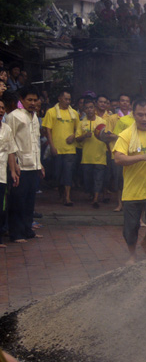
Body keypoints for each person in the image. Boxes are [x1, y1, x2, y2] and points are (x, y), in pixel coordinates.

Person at [114, 99, 146, 265]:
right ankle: (132, 255)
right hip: (132, 190)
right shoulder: (126, 134)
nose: (144, 119)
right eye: (140, 115)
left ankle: (145, 243)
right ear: (133, 115)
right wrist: (141, 157)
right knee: (131, 228)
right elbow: (118, 158)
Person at [6, 86, 44, 243]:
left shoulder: (34, 117)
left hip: (33, 165)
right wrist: (14, 165)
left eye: (35, 100)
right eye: (29, 100)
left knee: (30, 201)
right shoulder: (14, 116)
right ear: (21, 100)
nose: (33, 103)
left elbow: (36, 143)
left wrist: (40, 164)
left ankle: (28, 231)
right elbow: (10, 141)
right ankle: (16, 233)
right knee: (18, 201)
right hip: (20, 166)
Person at [42, 90, 79, 206]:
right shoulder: (51, 112)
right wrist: (52, 146)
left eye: (69, 99)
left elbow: (78, 129)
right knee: (57, 173)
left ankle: (67, 197)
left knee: (68, 172)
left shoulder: (74, 113)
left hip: (70, 149)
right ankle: (61, 193)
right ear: (59, 99)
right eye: (66, 99)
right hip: (57, 148)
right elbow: (48, 129)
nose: (68, 101)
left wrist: (73, 135)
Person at [75, 99, 107, 208]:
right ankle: (92, 194)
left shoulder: (102, 122)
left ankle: (96, 199)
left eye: (91, 107)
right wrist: (84, 136)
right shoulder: (81, 122)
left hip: (100, 155)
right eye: (87, 108)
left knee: (98, 178)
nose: (89, 110)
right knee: (88, 179)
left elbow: (107, 136)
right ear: (84, 110)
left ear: (95, 108)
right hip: (87, 157)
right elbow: (77, 139)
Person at [0, 100, 20, 249]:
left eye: (2, 108)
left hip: (1, 174)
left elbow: (11, 152)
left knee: (1, 206)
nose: (1, 110)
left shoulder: (6, 129)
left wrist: (13, 171)